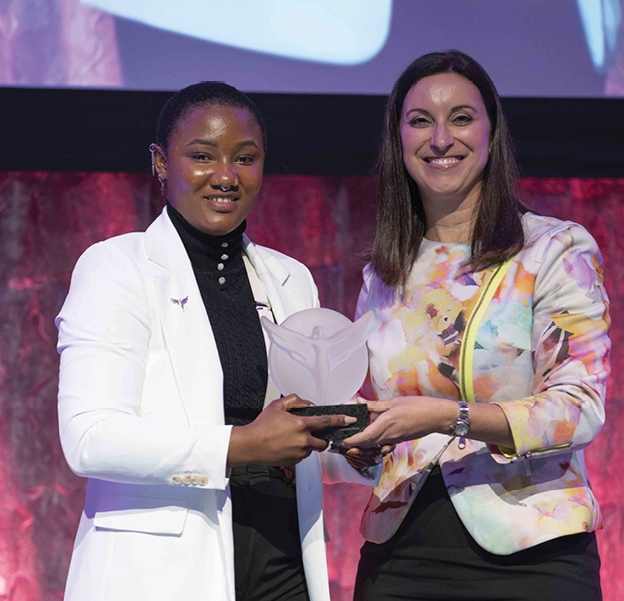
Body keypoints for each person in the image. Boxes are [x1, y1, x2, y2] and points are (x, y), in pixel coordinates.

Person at [55, 82, 374, 601]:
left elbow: (293, 436)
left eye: (244, 158)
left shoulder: (289, 277)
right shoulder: (117, 267)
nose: (225, 176)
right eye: (202, 156)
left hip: (282, 557)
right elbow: (90, 438)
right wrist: (242, 444)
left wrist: (351, 445)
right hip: (163, 569)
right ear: (161, 162)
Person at [342, 51, 610, 601]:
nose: (441, 138)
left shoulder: (555, 248)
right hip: (401, 554)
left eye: (461, 118)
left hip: (534, 551)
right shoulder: (383, 271)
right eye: (420, 121)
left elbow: (579, 407)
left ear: (491, 131)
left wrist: (447, 417)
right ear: (399, 139)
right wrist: (351, 444)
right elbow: (377, 414)